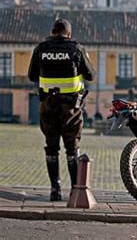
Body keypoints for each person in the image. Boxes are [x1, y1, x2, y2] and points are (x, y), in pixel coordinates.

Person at [28, 19, 96, 201]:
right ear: (69, 33)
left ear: (52, 31)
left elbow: (31, 75)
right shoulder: (77, 49)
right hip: (71, 108)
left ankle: (55, 189)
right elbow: (91, 75)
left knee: (51, 148)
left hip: (48, 106)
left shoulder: (41, 49)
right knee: (72, 149)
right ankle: (75, 190)